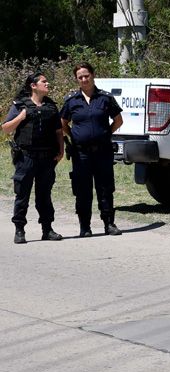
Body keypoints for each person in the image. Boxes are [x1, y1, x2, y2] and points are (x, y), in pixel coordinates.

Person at [60, 62, 123, 237]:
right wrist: (73, 136)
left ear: (93, 75)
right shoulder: (72, 100)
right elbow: (63, 123)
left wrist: (105, 133)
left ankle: (109, 224)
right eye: (80, 77)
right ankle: (85, 227)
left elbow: (118, 121)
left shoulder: (105, 98)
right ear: (76, 79)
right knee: (82, 190)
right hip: (81, 153)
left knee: (105, 188)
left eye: (86, 75)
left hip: (103, 151)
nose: (84, 79)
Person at [2, 72, 65, 244]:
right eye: (44, 82)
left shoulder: (51, 106)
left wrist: (61, 149)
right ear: (33, 85)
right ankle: (20, 230)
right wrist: (21, 117)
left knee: (44, 195)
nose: (48, 84)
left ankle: (47, 229)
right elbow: (6, 129)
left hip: (47, 157)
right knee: (22, 194)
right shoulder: (20, 105)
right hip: (26, 157)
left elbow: (58, 132)